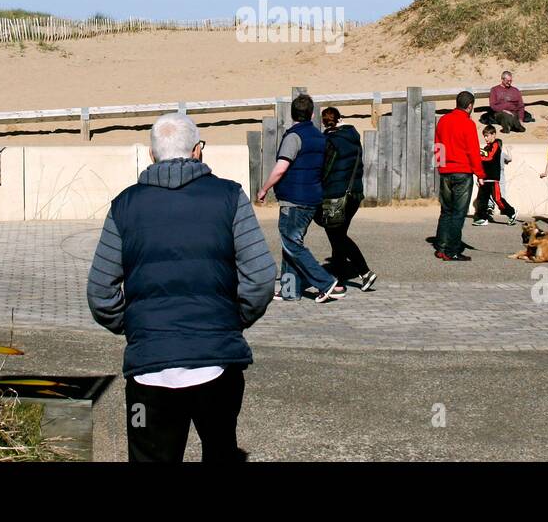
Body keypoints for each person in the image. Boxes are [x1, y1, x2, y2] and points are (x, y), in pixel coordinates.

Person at [86, 112, 276, 462]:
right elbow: (262, 277)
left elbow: (101, 293)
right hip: (217, 364)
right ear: (198, 150)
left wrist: (138, 328)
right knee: (220, 450)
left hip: (148, 370)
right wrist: (231, 321)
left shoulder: (124, 205)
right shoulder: (230, 197)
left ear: (151, 153)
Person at [256, 93, 344, 301]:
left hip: (294, 199)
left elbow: (280, 168)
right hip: (313, 198)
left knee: (293, 244)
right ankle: (289, 290)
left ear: (292, 113)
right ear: (312, 114)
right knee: (290, 244)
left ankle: (326, 282)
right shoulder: (319, 137)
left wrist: (264, 188)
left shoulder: (294, 137)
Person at [315, 107, 377, 291]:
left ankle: (365, 272)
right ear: (341, 119)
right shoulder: (353, 137)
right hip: (355, 194)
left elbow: (325, 171)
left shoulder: (330, 141)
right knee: (338, 236)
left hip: (336, 196)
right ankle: (338, 279)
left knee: (337, 236)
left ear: (324, 123)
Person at [432, 91, 485, 261]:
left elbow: (437, 145)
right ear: (470, 106)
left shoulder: (443, 120)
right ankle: (452, 250)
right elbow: (473, 151)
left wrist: (441, 167)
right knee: (458, 213)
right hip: (462, 172)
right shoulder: (468, 123)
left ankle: (441, 247)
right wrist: (480, 173)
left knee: (446, 211)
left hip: (446, 171)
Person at [472, 123, 516, 226]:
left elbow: (490, 157)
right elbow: (483, 161)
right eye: (485, 136)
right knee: (482, 199)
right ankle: (482, 218)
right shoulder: (486, 148)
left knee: (498, 199)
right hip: (485, 178)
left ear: (494, 135)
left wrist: (479, 156)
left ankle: (512, 213)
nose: (486, 138)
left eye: (487, 136)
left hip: (493, 179)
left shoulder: (496, 145)